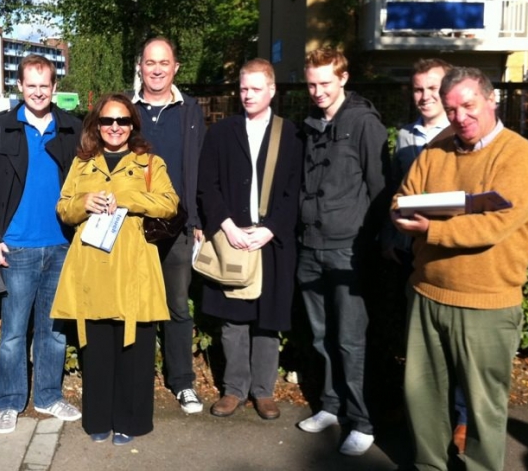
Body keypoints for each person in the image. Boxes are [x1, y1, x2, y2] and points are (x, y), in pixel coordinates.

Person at [393, 67, 528, 471]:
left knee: (483, 409)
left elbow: (495, 225)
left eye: (468, 106)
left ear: (491, 99)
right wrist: (401, 214)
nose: (460, 117)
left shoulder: (519, 156)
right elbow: (404, 195)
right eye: (451, 109)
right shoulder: (439, 146)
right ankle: (430, 466)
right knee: (422, 397)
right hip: (427, 293)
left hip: (487, 304)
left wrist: (431, 228)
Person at [50, 93, 178, 446]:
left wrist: (127, 199)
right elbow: (63, 209)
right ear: (96, 124)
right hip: (92, 267)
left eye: (122, 121)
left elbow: (170, 204)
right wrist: (83, 202)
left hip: (133, 267)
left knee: (134, 350)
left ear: (132, 125)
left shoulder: (150, 162)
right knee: (97, 349)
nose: (115, 127)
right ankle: (98, 419)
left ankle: (130, 420)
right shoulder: (82, 163)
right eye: (107, 121)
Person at [197, 58, 302, 421]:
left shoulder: (290, 134)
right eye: (243, 88)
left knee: (267, 317)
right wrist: (227, 226)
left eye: (256, 88)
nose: (248, 95)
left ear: (272, 90)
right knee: (233, 317)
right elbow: (206, 185)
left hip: (272, 239)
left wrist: (271, 228)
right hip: (233, 236)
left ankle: (264, 391)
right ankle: (234, 389)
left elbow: (295, 190)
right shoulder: (221, 133)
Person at [296, 48, 389, 456]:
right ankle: (332, 406)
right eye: (312, 83)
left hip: (348, 250)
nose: (317, 91)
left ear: (343, 79)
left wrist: (371, 243)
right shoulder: (312, 123)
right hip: (310, 247)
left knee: (351, 340)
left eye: (325, 83)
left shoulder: (364, 123)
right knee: (320, 335)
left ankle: (362, 420)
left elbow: (380, 188)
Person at [0, 54, 83, 433]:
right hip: (17, 247)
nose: (39, 92)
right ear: (20, 87)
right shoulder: (0, 128)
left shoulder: (72, 129)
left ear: (54, 87)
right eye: (31, 85)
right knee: (12, 332)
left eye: (45, 85)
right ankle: (9, 401)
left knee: (53, 330)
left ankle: (47, 396)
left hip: (61, 245)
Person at [381, 58, 469, 453]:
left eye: (432, 89)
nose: (424, 97)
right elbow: (396, 192)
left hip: (448, 250)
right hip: (409, 252)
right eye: (417, 89)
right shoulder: (405, 135)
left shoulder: (463, 134)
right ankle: (422, 411)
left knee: (457, 343)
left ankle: (462, 419)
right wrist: (390, 238)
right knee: (416, 340)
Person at [131, 37, 206, 414]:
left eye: (164, 62)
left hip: (177, 229)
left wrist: (196, 220)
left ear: (175, 67)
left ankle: (182, 383)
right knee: (138, 306)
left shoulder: (190, 111)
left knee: (178, 306)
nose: (157, 69)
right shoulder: (126, 112)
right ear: (140, 67)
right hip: (134, 227)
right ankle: (138, 380)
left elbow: (200, 170)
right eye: (150, 62)